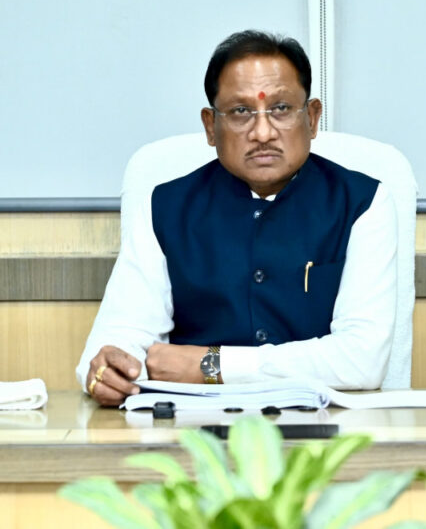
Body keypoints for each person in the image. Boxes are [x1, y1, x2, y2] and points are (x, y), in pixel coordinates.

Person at [77, 30, 398, 406]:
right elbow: (118, 341)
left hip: (326, 425)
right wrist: (111, 369)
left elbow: (362, 361)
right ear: (210, 126)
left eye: (281, 108)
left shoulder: (363, 203)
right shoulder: (165, 208)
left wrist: (211, 365)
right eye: (241, 112)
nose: (262, 133)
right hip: (190, 424)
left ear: (312, 118)